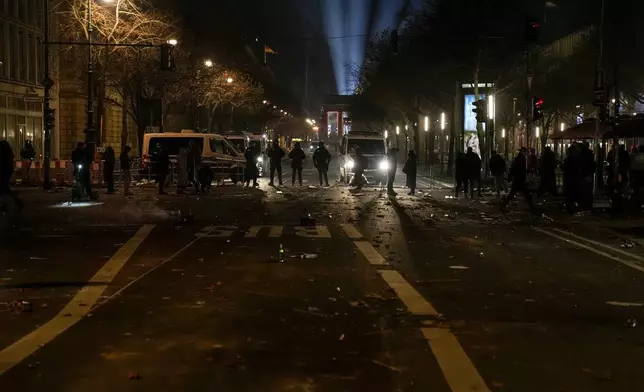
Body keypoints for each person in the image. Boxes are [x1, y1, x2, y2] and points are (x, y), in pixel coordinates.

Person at [502, 147, 536, 212]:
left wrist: (510, 175)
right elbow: (521, 169)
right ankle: (532, 206)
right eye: (526, 152)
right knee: (525, 193)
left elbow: (515, 168)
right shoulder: (522, 159)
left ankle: (504, 204)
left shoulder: (518, 158)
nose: (527, 153)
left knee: (513, 194)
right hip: (520, 179)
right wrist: (529, 171)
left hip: (517, 179)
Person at [0, 140, 23, 210]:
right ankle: (16, 202)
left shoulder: (3, 148)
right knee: (4, 187)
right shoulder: (5, 148)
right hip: (6, 171)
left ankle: (7, 204)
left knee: (4, 187)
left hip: (4, 171)